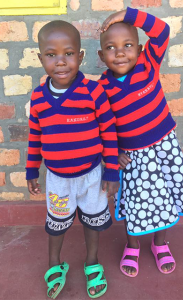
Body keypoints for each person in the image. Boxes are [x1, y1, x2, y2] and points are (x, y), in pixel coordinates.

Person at [98, 7, 183, 277]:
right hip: (132, 156)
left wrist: (128, 14)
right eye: (111, 47)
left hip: (164, 149)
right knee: (135, 201)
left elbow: (162, 31)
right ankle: (131, 245)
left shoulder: (149, 64)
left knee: (163, 196)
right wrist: (114, 153)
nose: (120, 52)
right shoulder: (103, 88)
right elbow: (104, 127)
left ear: (141, 49)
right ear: (101, 56)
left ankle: (160, 243)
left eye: (128, 45)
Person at [26, 20, 120, 299]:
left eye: (68, 53)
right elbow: (35, 138)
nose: (61, 61)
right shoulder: (39, 98)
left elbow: (109, 134)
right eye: (51, 54)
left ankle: (92, 262)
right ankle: (55, 263)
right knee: (57, 223)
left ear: (80, 56)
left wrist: (111, 172)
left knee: (93, 222)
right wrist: (32, 169)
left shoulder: (94, 93)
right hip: (57, 180)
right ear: (40, 57)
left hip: (92, 177)